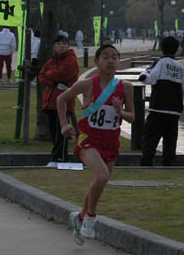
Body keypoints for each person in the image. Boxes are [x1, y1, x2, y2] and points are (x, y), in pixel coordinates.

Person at [57, 44, 134, 244]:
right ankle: (90, 218)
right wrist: (64, 124)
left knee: (99, 183)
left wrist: (120, 111)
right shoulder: (87, 85)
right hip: (89, 141)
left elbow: (133, 117)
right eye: (106, 57)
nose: (111, 61)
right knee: (102, 175)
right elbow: (61, 99)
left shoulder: (126, 87)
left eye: (115, 57)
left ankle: (79, 218)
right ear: (96, 61)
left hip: (111, 141)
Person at [138, 36, 184, 166]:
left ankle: (147, 161)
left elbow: (150, 78)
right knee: (170, 139)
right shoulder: (180, 67)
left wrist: (143, 76)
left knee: (151, 137)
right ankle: (168, 163)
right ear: (176, 50)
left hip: (158, 108)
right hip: (174, 109)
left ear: (162, 48)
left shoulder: (160, 63)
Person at [38, 35, 79, 168]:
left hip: (64, 100)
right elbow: (41, 76)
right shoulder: (52, 60)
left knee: (62, 130)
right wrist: (54, 82)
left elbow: (63, 75)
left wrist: (50, 76)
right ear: (54, 46)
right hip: (50, 100)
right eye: (58, 43)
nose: (61, 46)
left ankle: (58, 157)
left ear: (68, 46)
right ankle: (60, 157)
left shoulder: (71, 59)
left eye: (64, 43)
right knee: (54, 131)